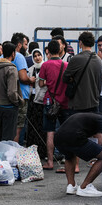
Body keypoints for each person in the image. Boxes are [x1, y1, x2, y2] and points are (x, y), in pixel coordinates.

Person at [54, 113, 102, 197]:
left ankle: (71, 186)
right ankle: (85, 187)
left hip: (58, 138)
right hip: (75, 135)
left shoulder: (86, 118)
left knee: (69, 155)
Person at [38, 40, 74, 171]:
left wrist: (49, 82)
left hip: (50, 102)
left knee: (50, 132)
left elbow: (41, 84)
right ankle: (68, 161)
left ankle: (50, 162)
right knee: (67, 132)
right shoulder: (66, 64)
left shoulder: (45, 65)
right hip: (64, 102)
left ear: (48, 51)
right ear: (60, 50)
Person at [0, 42, 21, 162]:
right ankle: (4, 163)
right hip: (9, 106)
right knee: (8, 138)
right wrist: (17, 101)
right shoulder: (11, 68)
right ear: (13, 53)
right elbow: (12, 92)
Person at [62, 32, 102, 114]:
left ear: (80, 43)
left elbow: (65, 78)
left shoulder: (76, 59)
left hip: (79, 104)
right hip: (94, 104)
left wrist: (72, 78)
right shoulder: (99, 60)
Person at [11, 32, 36, 143]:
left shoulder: (2, 57)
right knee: (18, 128)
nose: (27, 47)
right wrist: (31, 79)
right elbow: (23, 77)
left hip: (7, 97)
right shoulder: (19, 57)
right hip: (20, 96)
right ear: (19, 45)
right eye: (26, 44)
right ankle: (14, 155)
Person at [25, 48, 46, 159]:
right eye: (35, 56)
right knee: (32, 126)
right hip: (32, 100)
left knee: (42, 126)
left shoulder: (45, 67)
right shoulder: (30, 69)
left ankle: (43, 151)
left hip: (42, 99)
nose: (37, 58)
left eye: (39, 55)